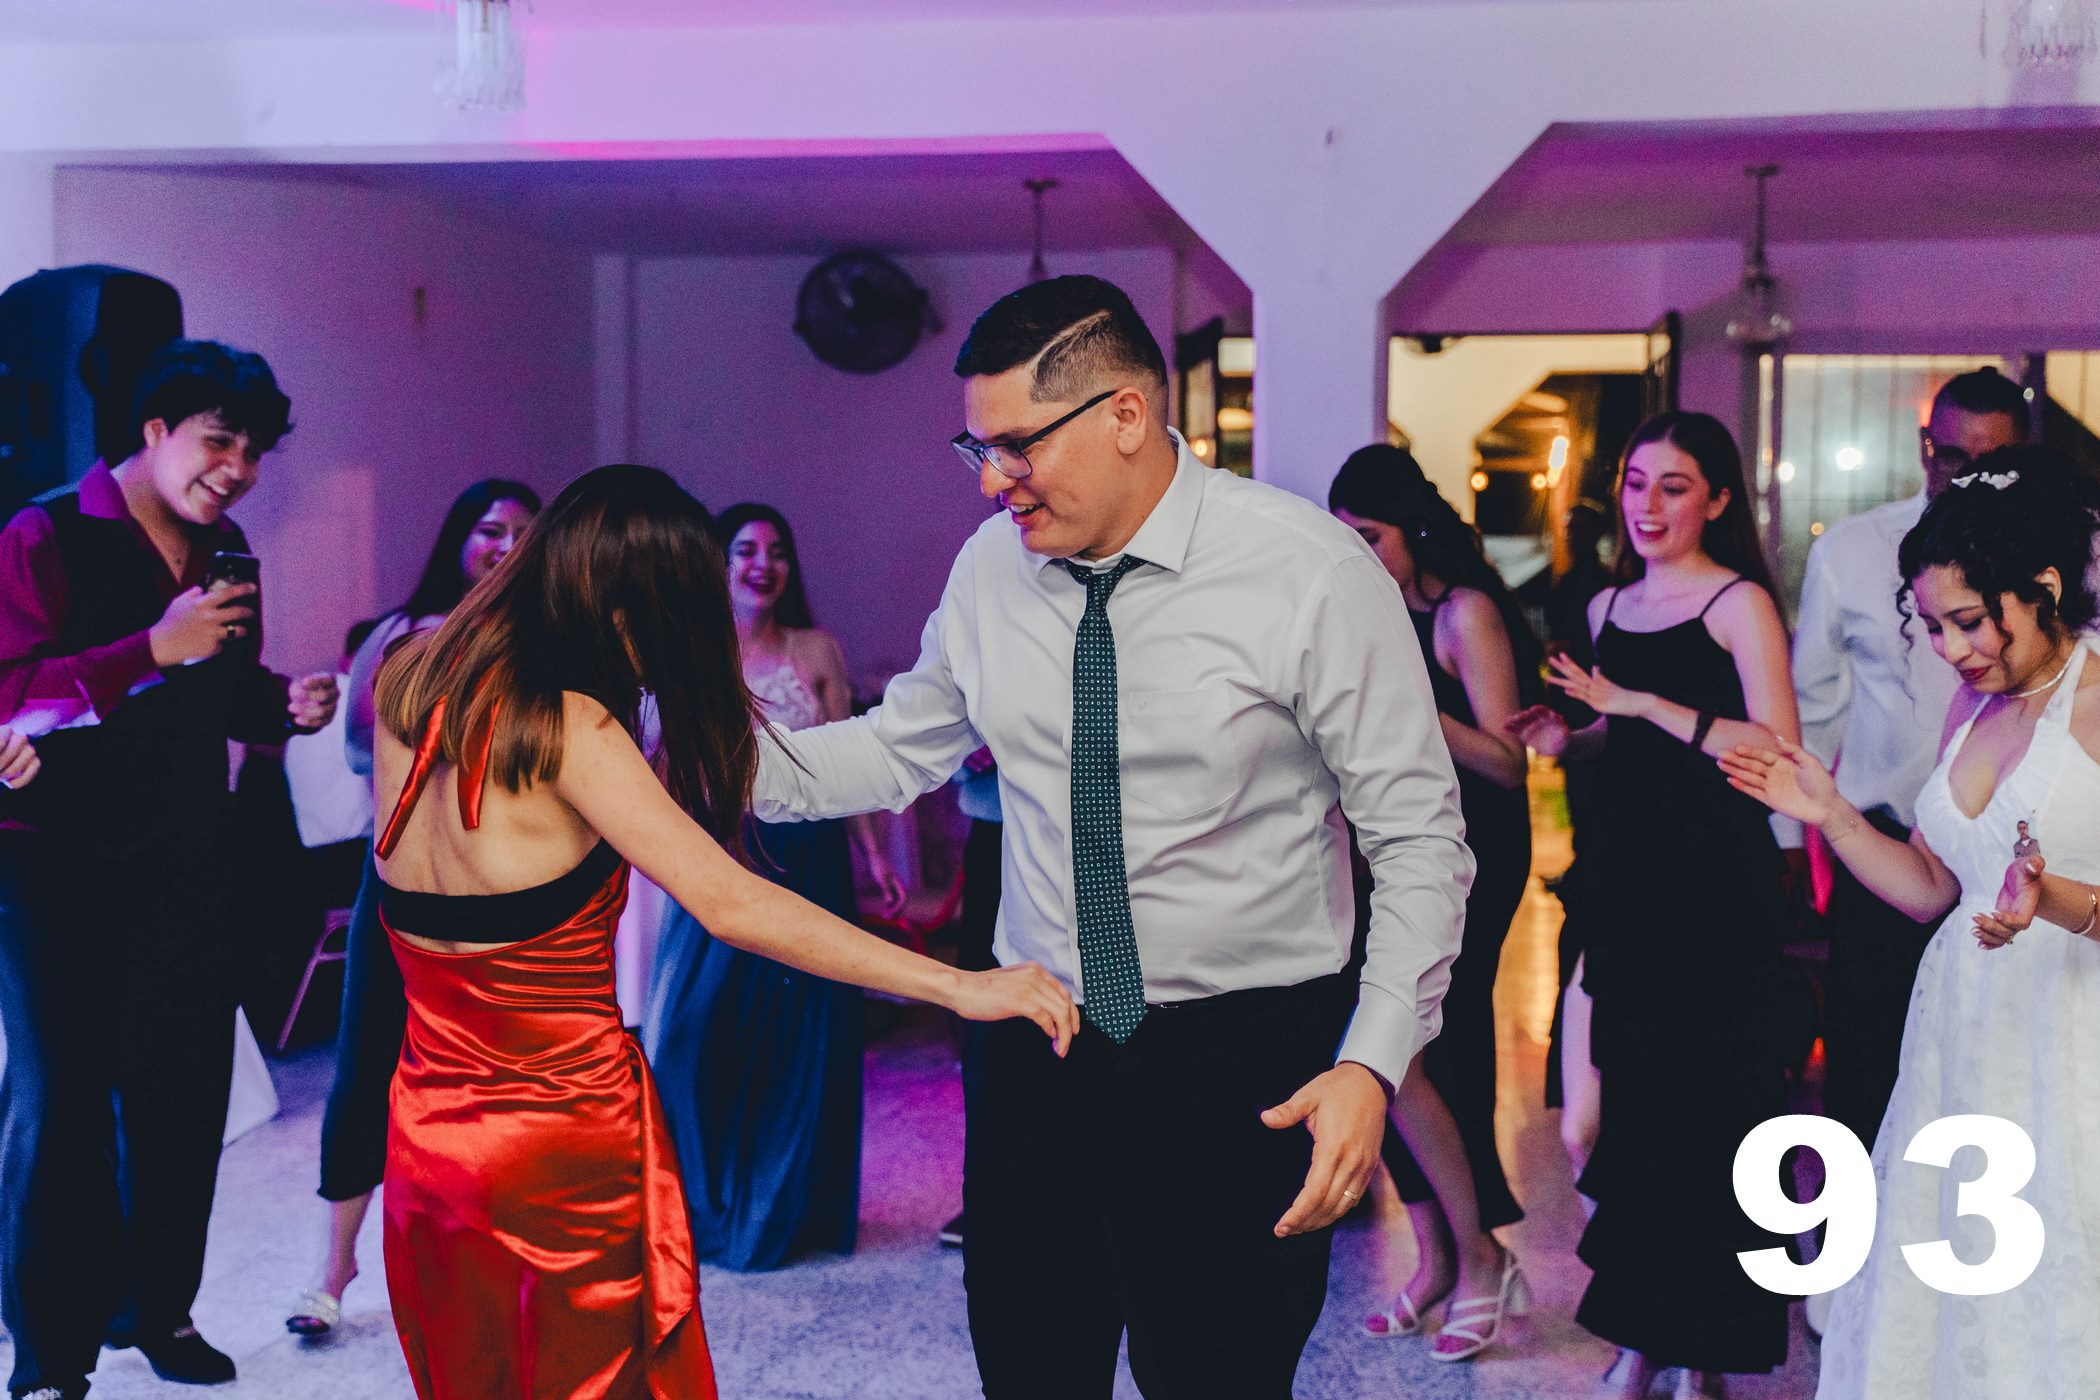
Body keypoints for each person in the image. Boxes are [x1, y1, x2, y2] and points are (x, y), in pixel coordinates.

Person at [751, 275, 1472, 1399]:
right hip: (1035, 1042)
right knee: (1032, 1366)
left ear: (1126, 415)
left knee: (1218, 1376)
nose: (991, 480)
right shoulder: (990, 570)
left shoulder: (1310, 574)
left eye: (1017, 446)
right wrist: (694, 764)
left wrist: (1370, 1061)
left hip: (1242, 1060)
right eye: (977, 446)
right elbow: (897, 750)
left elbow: (1421, 839)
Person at [367, 463, 1074, 1400]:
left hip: (428, 1134)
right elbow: (735, 905)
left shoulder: (409, 681)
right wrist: (959, 983)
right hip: (559, 1136)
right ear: (637, 604)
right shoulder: (573, 728)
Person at [1720, 452, 2100, 1399]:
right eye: (1931, 626)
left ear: (2045, 587)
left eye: (1968, 621)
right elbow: (1934, 888)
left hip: (2069, 1035)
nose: (1950, 649)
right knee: (1952, 1279)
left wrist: (2050, 899)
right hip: (1959, 1032)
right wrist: (1832, 815)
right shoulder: (1975, 704)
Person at [0, 340, 337, 1398]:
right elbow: (9, 695)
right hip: (52, 860)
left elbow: (222, 691)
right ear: (155, 431)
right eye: (219, 442)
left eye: (254, 452)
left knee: (182, 1098)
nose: (237, 470)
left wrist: (285, 704)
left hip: (188, 852)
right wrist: (150, 646)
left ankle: (159, 1311)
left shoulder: (229, 548)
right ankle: (48, 1353)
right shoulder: (46, 530)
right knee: (59, 1104)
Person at [1506, 411, 1798, 1400]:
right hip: (1623, 888)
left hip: (1716, 902)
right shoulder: (1606, 609)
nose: (1649, 504)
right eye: (1636, 482)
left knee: (1696, 1133)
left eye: (1674, 486)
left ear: (1715, 498)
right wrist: (1572, 738)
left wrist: (1640, 705)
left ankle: (1676, 1354)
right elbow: (1624, 747)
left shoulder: (1737, 602)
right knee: (1591, 1127)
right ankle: (1653, 1333)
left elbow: (1779, 753)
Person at [288, 478, 540, 1337]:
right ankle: (333, 1267)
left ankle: (487, 1257)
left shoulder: (548, 638)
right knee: (367, 1064)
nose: (508, 546)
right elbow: (364, 748)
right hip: (401, 879)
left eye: (525, 534)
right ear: (459, 539)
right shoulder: (402, 632)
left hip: (507, 883)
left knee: (494, 1076)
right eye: (492, 530)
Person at [645, 501, 907, 1272]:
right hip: (718, 857)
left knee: (802, 1039)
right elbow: (658, 769)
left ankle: (786, 1212)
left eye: (778, 551)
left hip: (808, 858)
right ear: (718, 564)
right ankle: (699, 1204)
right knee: (691, 1033)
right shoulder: (686, 653)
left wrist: (874, 856)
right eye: (746, 550)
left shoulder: (816, 649)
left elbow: (848, 762)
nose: (764, 564)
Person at [1781, 367, 2027, 1154]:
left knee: (1993, 1081)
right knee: (1868, 1066)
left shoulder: (2067, 559)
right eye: (1956, 457)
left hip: (2018, 861)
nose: (1972, 478)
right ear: (1927, 450)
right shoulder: (1855, 551)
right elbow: (1815, 705)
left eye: (1994, 462)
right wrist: (1793, 840)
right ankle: (1865, 1229)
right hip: (1887, 847)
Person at [1329, 449, 1533, 1361]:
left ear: (1412, 530)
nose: (1359, 554)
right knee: (1387, 1054)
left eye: (1370, 536)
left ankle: (1480, 1255)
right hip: (1387, 847)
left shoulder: (1463, 612)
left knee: (1433, 1052)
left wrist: (1417, 709)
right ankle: (1442, 1255)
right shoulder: (1363, 615)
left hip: (1471, 852)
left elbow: (1509, 762)